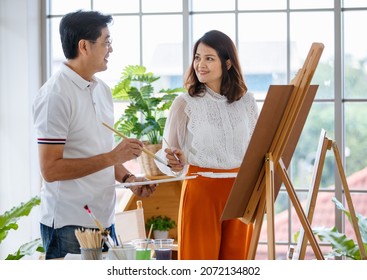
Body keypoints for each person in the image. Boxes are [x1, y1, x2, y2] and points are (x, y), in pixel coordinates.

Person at [32, 10, 156, 260]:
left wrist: (129, 178)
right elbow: (51, 170)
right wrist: (112, 157)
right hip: (69, 224)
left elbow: (103, 155)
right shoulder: (55, 95)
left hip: (104, 219)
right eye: (106, 41)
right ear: (84, 47)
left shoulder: (102, 91)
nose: (110, 49)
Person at [156, 30, 259, 260]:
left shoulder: (247, 102)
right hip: (201, 191)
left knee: (238, 264)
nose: (200, 64)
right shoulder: (184, 103)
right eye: (197, 57)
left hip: (240, 193)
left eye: (209, 58)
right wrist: (172, 159)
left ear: (228, 62)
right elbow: (167, 153)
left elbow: (257, 149)